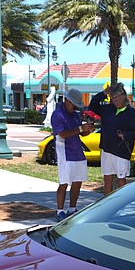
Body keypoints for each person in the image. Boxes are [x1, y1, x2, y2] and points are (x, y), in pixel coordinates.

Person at [88, 82, 135, 195]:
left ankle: (120, 203)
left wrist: (126, 135)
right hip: (107, 149)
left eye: (116, 97)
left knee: (121, 180)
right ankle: (107, 203)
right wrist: (103, 93)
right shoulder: (108, 109)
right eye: (112, 98)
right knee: (107, 179)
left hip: (121, 151)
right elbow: (93, 105)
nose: (115, 100)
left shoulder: (131, 113)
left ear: (123, 96)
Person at [51, 88, 94, 221]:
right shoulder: (58, 114)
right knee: (64, 182)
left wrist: (87, 130)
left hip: (77, 152)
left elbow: (79, 132)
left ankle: (72, 208)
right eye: (74, 105)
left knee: (77, 182)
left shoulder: (75, 115)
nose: (75, 108)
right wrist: (80, 128)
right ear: (68, 101)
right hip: (64, 152)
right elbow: (62, 134)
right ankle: (60, 211)